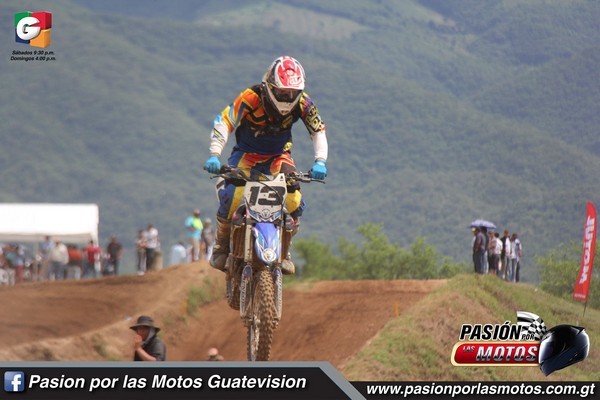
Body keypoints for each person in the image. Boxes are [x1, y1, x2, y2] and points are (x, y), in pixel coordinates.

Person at [204, 56, 328, 275]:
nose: (287, 97)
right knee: (231, 196)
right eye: (282, 92)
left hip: (279, 157)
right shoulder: (251, 97)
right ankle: (221, 245)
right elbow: (225, 120)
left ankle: (284, 250)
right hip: (245, 155)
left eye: (292, 93)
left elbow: (318, 131)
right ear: (270, 86)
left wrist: (320, 161)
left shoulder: (304, 102)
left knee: (293, 199)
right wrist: (215, 154)